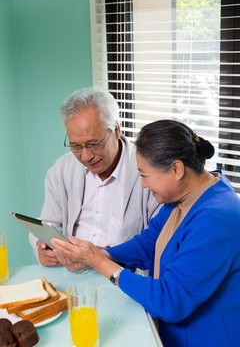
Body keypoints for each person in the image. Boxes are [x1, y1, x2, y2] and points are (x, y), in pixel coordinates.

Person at [51, 119, 240, 347]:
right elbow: (149, 242)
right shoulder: (188, 195)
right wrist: (103, 254)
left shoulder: (215, 219)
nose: (142, 184)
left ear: (176, 169)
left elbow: (169, 300)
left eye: (144, 175)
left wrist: (98, 263)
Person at [29, 87, 160, 269]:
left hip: (124, 274)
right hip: (71, 273)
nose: (86, 156)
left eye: (93, 144)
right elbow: (47, 223)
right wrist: (43, 249)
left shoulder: (149, 171)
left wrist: (103, 256)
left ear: (115, 130)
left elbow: (159, 241)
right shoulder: (62, 169)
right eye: (76, 146)